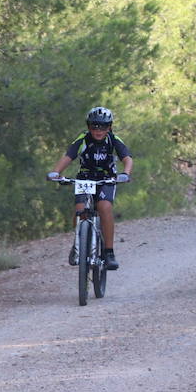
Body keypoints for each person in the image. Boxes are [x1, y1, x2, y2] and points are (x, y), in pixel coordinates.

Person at [47, 106, 133, 270]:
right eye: (94, 126)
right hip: (85, 177)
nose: (98, 130)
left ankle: (109, 252)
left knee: (104, 206)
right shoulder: (83, 139)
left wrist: (125, 174)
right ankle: (78, 243)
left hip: (107, 178)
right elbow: (68, 156)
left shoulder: (113, 140)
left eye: (103, 126)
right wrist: (56, 172)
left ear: (109, 127)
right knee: (80, 210)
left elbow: (127, 159)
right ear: (88, 126)